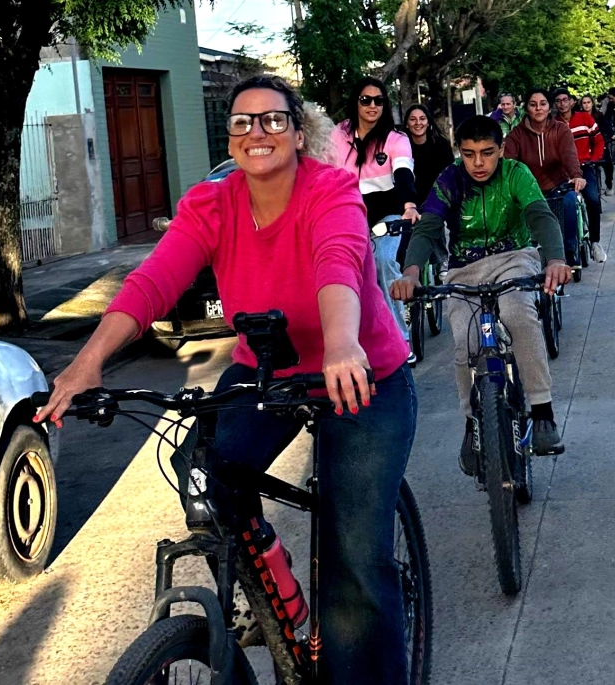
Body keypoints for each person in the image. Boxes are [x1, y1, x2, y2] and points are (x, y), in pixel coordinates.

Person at [37, 75, 416, 683]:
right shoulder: (211, 204)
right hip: (264, 371)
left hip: (360, 374)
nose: (256, 132)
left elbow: (337, 260)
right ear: (231, 138)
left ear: (298, 132)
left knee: (355, 562)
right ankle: (273, 595)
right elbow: (154, 281)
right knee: (204, 476)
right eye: (242, 122)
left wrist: (344, 343)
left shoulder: (333, 189)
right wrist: (89, 362)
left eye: (272, 120)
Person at [390, 115, 571, 473]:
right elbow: (428, 228)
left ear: (501, 150)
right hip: (464, 270)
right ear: (459, 152)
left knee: (520, 316)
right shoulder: (449, 179)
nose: (478, 163)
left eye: (487, 153)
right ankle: (473, 424)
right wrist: (410, 272)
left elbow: (540, 217)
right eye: (470, 154)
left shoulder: (517, 173)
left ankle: (542, 409)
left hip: (514, 259)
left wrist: (555, 259)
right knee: (465, 344)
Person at [331, 77, 420, 364]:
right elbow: (320, 173)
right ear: (355, 102)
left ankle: (400, 339)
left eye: (379, 100)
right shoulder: (337, 135)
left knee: (382, 262)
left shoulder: (396, 138)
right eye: (365, 100)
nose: (372, 106)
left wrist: (409, 205)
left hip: (387, 214)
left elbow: (404, 172)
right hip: (348, 216)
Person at [503, 87, 585, 266]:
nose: (538, 108)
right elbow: (508, 164)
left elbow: (569, 155)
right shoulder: (516, 134)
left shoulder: (560, 130)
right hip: (529, 191)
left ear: (549, 107)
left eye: (543, 104)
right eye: (533, 105)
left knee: (571, 202)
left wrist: (576, 175)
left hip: (559, 185)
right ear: (526, 108)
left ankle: (570, 250)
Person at [553, 89, 607, 262]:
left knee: (592, 199)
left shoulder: (585, 118)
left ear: (571, 102)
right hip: (563, 171)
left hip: (585, 166)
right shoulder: (552, 124)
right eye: (558, 101)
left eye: (565, 100)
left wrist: (594, 159)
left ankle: (595, 242)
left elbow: (598, 140)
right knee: (558, 203)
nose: (562, 103)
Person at [405, 103, 456, 207]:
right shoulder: (401, 147)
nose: (418, 123)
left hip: (438, 201)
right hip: (410, 205)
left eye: (422, 118)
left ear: (428, 122)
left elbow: (451, 175)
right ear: (407, 124)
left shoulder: (441, 145)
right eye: (413, 119)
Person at [581, 93, 615, 196]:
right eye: (584, 103)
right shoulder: (578, 116)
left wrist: (612, 135)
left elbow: (606, 126)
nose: (586, 105)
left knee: (608, 164)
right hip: (585, 145)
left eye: (588, 102)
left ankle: (609, 184)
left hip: (599, 142)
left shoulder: (598, 115)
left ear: (592, 103)